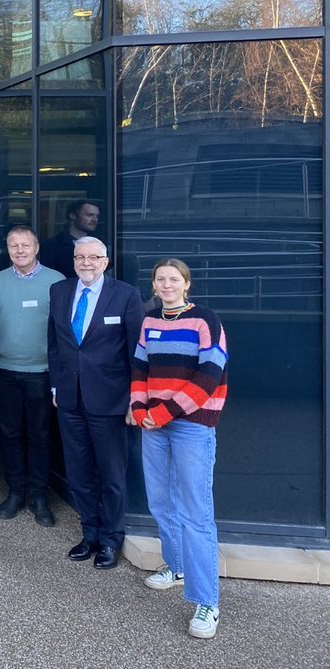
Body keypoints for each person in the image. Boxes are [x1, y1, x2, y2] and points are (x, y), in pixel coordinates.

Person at [132, 258, 228, 640]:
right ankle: (175, 565)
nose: (167, 285)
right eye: (161, 279)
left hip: (191, 425)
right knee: (159, 500)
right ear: (154, 286)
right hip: (153, 423)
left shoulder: (205, 320)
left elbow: (211, 372)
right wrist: (141, 410)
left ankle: (208, 602)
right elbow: (140, 369)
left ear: (186, 284)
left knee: (195, 512)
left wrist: (166, 411)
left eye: (174, 279)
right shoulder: (150, 321)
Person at [46, 236, 144, 569]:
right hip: (70, 399)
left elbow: (136, 353)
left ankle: (111, 539)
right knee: (79, 471)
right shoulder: (59, 292)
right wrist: (56, 387)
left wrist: (135, 398)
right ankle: (89, 534)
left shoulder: (126, 295)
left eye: (93, 257)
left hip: (110, 400)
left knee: (111, 474)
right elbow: (55, 344)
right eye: (80, 257)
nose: (86, 263)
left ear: (105, 261)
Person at [0, 226, 66, 527]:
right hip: (4, 372)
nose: (19, 251)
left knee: (41, 436)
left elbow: (63, 331)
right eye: (13, 246)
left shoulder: (55, 281)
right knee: (10, 434)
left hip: (41, 373)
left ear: (37, 247)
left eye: (25, 245)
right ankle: (16, 492)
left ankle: (39, 496)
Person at [40, 200, 101, 278]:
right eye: (89, 215)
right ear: (73, 216)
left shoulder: (100, 244)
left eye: (97, 216)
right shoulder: (51, 245)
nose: (95, 219)